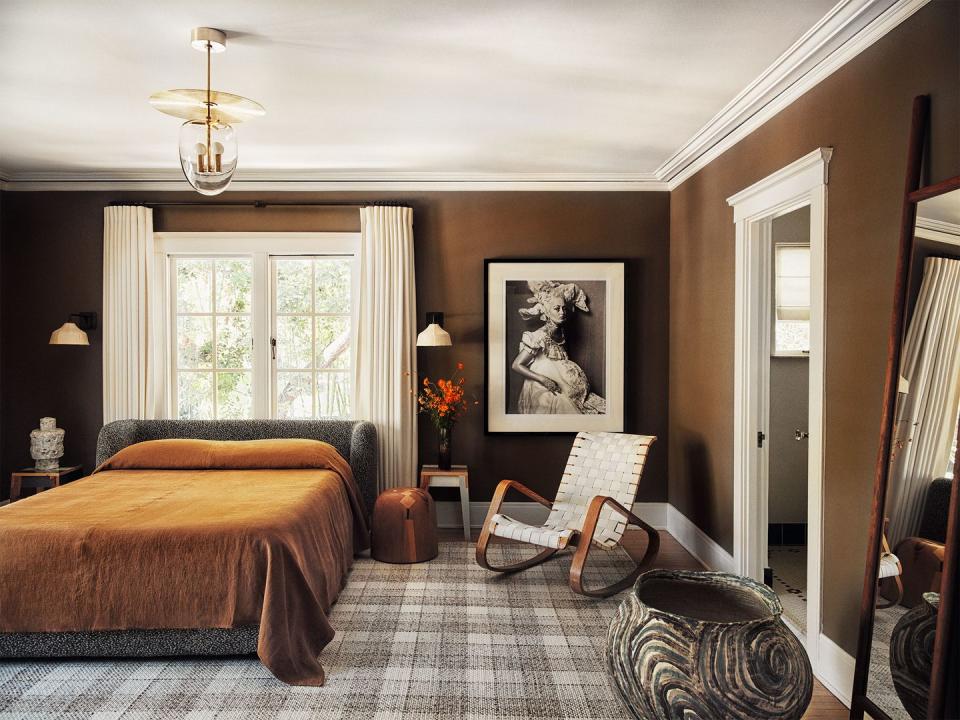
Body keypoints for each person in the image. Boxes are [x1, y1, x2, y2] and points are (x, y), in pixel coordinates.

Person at [510, 280, 605, 415]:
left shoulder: (560, 332)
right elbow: (516, 365)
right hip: (543, 388)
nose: (562, 312)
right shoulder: (539, 336)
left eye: (564, 308)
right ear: (547, 311)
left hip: (565, 385)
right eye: (557, 309)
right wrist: (544, 380)